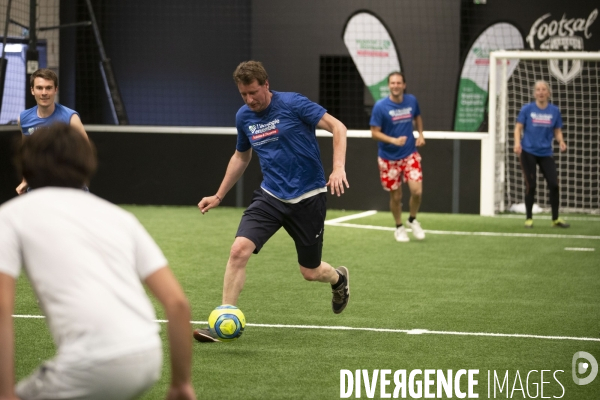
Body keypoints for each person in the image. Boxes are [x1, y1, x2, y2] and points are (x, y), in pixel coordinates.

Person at [0, 123, 196, 400]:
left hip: (91, 364)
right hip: (147, 357)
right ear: (86, 162)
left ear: (26, 163)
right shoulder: (119, 217)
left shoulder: (11, 216)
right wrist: (181, 384)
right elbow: (177, 304)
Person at [193, 61, 350, 342]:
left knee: (310, 272)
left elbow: (338, 127)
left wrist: (338, 167)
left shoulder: (293, 104)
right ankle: (224, 319)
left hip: (309, 198)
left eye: (253, 92)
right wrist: (219, 195)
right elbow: (242, 156)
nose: (250, 100)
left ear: (266, 85)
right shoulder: (244, 117)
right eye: (244, 94)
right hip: (271, 197)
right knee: (238, 250)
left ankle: (338, 279)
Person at [369, 71, 426, 242]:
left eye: (398, 83)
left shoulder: (411, 101)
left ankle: (412, 220)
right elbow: (374, 133)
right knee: (397, 196)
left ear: (404, 85)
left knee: (417, 191)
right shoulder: (380, 106)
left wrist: (421, 134)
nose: (395, 86)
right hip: (388, 158)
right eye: (392, 83)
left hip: (409, 154)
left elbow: (417, 116)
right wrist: (393, 140)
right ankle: (399, 227)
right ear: (389, 86)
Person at [16, 68, 88, 195]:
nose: (44, 92)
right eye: (39, 88)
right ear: (32, 90)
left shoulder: (71, 118)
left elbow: (85, 151)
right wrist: (25, 180)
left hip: (69, 185)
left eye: (48, 88)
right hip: (39, 184)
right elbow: (27, 154)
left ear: (56, 90)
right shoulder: (24, 119)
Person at [513, 80, 569, 228]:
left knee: (554, 184)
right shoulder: (527, 109)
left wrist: (561, 141)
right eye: (538, 89)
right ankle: (529, 219)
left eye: (544, 89)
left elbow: (557, 131)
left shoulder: (554, 111)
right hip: (528, 151)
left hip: (546, 152)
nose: (541, 92)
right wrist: (517, 143)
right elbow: (518, 128)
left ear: (548, 93)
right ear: (534, 93)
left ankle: (555, 219)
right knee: (531, 185)